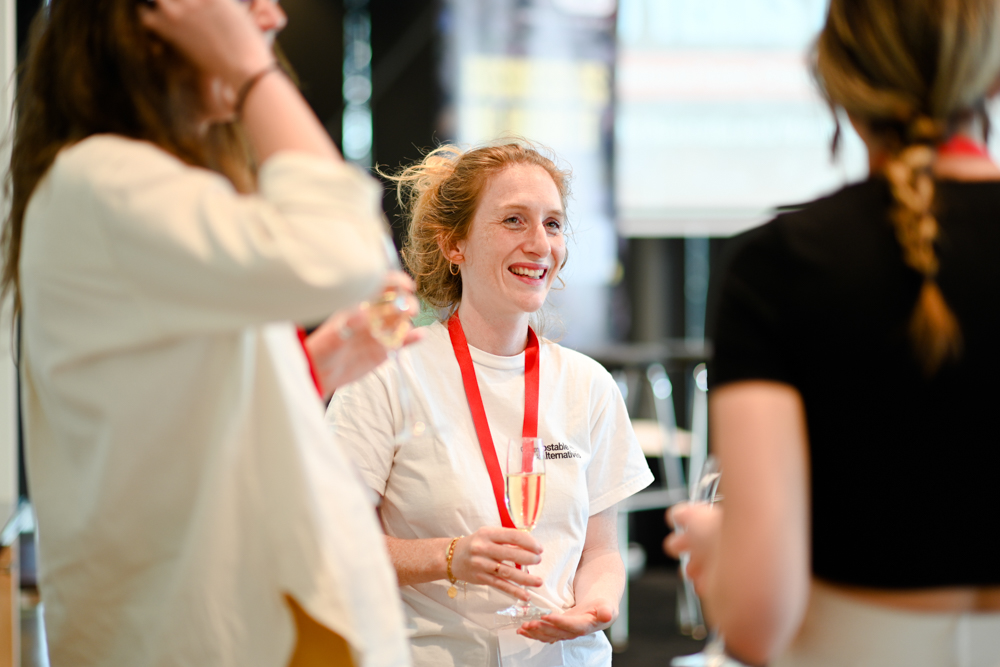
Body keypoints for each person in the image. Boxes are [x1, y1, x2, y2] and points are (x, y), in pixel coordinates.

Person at [1, 0, 413, 665]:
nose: (273, 17)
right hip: (213, 631)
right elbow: (346, 252)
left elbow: (163, 416)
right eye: (247, 2)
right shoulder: (108, 178)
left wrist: (312, 367)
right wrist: (253, 72)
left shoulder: (132, 182)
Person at [664, 1, 1000, 665]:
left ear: (836, 85)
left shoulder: (777, 265)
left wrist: (717, 549)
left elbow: (758, 619)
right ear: (991, 79)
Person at [326, 141, 654, 666]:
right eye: (513, 220)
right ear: (454, 244)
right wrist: (449, 556)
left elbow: (600, 551)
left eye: (552, 224)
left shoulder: (588, 384)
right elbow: (334, 541)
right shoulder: (387, 373)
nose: (540, 244)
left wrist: (595, 607)